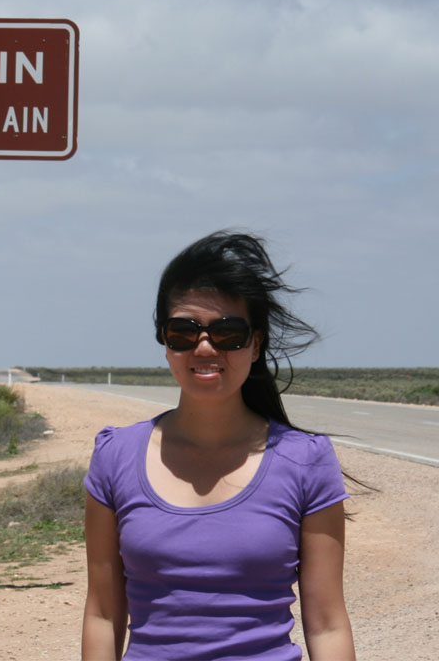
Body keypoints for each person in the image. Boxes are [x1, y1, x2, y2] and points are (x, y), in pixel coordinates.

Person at [81, 231, 355, 660]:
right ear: (165, 342)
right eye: (183, 332)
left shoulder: (305, 461)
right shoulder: (115, 456)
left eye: (228, 333)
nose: (205, 346)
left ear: (256, 343)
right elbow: (102, 614)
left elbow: (328, 625)